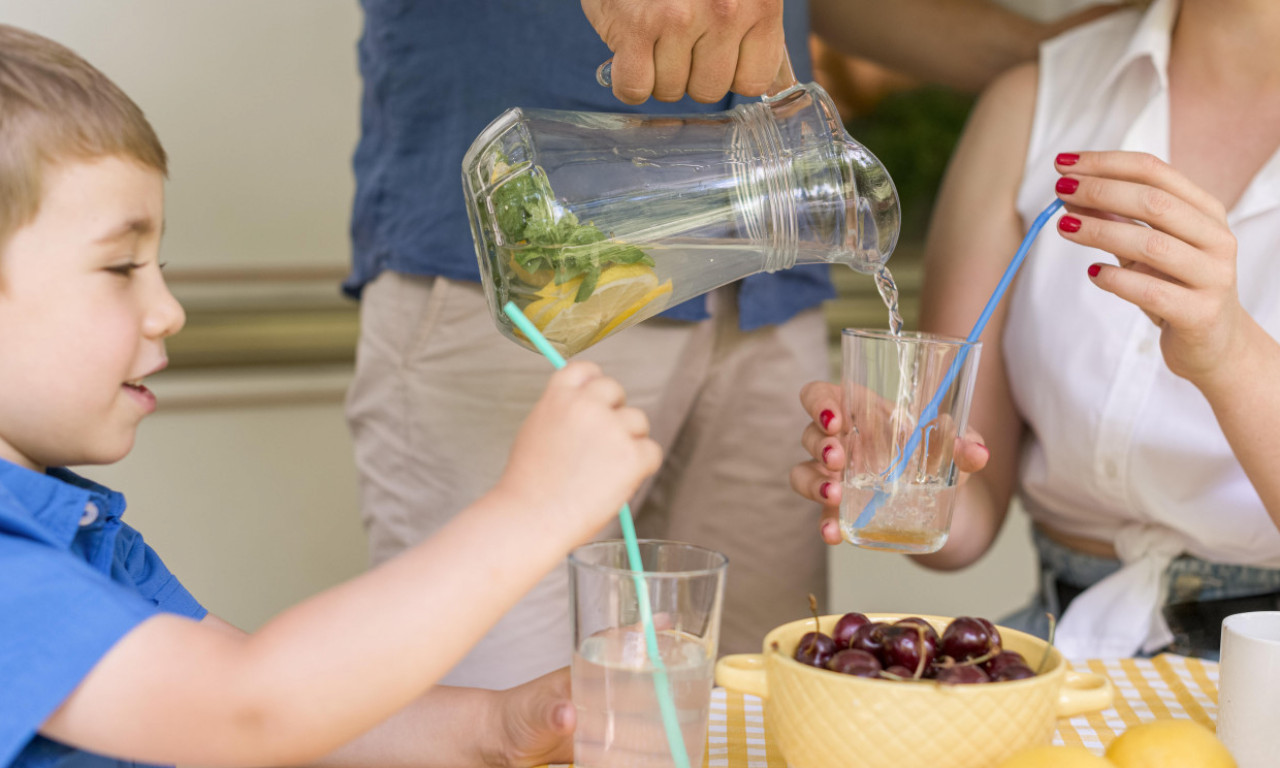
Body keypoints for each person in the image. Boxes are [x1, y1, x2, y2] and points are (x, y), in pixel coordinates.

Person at [345, 0, 1116, 690]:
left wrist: (1058, 52)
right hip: (536, 267)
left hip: (766, 290)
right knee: (495, 713)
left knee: (753, 711)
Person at [0, 24, 661, 768]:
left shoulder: (82, 535)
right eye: (121, 267)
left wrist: (494, 728)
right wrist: (534, 509)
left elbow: (305, 705)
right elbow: (248, 710)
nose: (170, 310)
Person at [791, 0, 1280, 660]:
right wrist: (908, 488)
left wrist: (1226, 353)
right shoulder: (1034, 101)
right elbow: (971, 511)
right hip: (1063, 653)